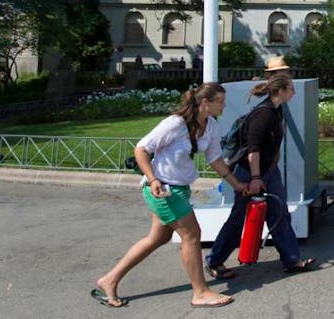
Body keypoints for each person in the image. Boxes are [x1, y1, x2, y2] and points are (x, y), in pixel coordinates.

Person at [92, 82, 246, 309]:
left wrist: (238, 185)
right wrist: (153, 179)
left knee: (158, 238)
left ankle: (109, 280)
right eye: (220, 101)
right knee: (192, 235)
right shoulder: (175, 124)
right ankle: (200, 292)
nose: (224, 106)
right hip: (163, 189)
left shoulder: (210, 125)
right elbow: (141, 148)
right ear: (205, 102)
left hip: (179, 188)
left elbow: (216, 161)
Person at [205, 74, 315, 278]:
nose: (294, 92)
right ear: (280, 91)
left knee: (279, 213)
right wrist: (256, 178)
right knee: (238, 217)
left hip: (269, 171)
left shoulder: (277, 110)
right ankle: (215, 260)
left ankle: (292, 259)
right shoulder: (263, 114)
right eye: (291, 88)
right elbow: (252, 150)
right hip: (250, 173)